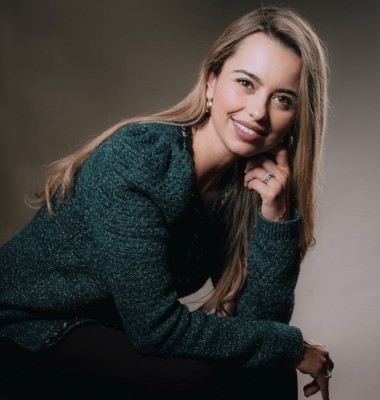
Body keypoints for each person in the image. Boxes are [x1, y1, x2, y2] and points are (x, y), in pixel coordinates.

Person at [0, 6, 334, 400]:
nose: (258, 111)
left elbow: (259, 325)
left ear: (296, 118)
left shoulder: (244, 187)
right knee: (192, 381)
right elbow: (156, 329)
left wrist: (275, 215)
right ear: (211, 81)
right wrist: (289, 345)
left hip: (105, 331)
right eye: (246, 83)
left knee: (270, 373)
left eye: (282, 100)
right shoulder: (139, 158)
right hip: (24, 326)